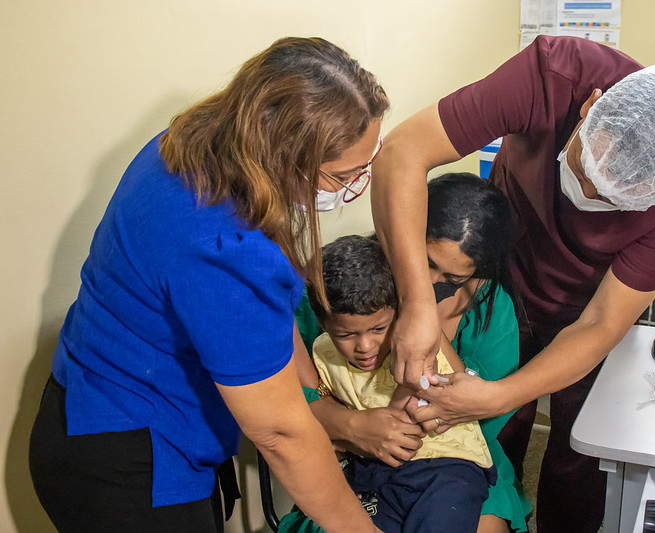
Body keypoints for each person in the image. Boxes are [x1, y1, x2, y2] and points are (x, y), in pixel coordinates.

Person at [28, 37, 388, 533]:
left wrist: (314, 397)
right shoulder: (228, 249)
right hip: (127, 460)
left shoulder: (184, 144)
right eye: (343, 175)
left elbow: (262, 327)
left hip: (79, 404)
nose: (356, 185)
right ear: (285, 158)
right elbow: (282, 435)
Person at [370, 35, 655, 533]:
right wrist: (418, 302)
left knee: (582, 444)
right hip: (507, 267)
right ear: (589, 108)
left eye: (612, 200)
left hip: (592, 303)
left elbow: (601, 322)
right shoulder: (555, 73)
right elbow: (402, 151)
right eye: (583, 169)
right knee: (491, 426)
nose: (587, 197)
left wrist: (500, 393)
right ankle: (497, 508)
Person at [291, 173, 531, 533]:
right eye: (427, 262)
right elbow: (284, 397)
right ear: (404, 235)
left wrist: (425, 325)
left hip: (453, 458)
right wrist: (352, 427)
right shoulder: (344, 292)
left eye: (453, 278)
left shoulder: (490, 309)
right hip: (350, 453)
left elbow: (483, 418)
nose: (432, 282)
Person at [282, 234, 497, 533]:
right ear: (324, 325)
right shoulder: (322, 352)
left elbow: (406, 416)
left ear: (398, 314)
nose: (365, 346)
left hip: (446, 467)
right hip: (376, 469)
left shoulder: (416, 343)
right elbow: (323, 403)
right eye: (345, 335)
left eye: (379, 329)